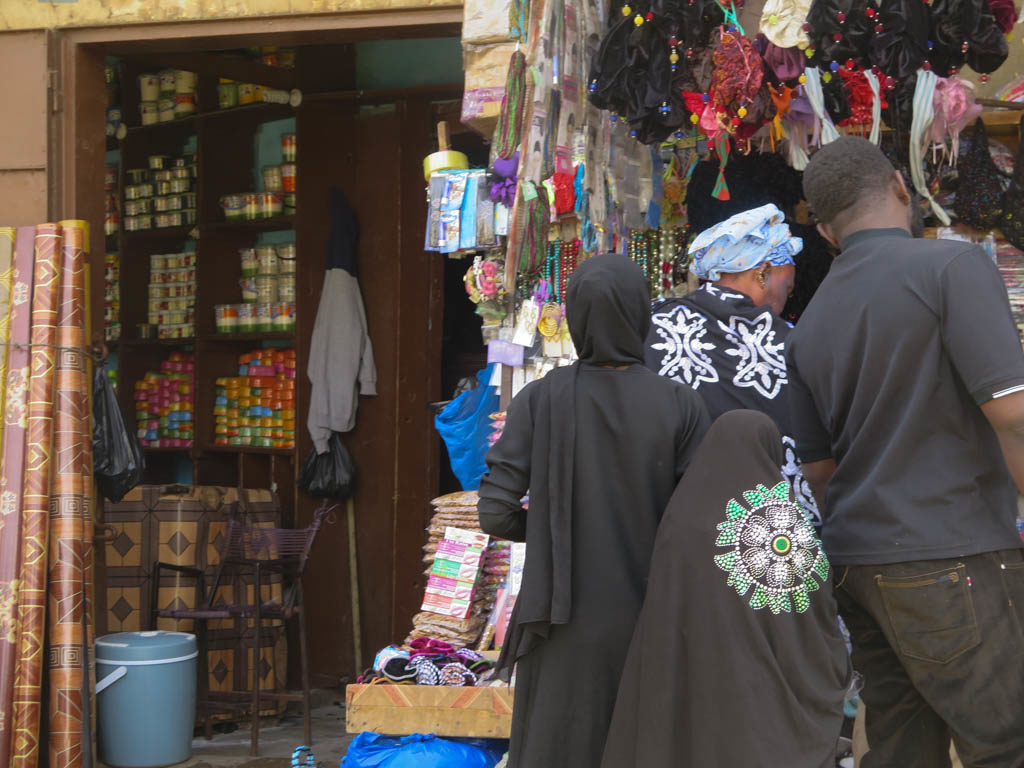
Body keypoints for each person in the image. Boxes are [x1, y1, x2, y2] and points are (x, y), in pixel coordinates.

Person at [787, 135, 1024, 767]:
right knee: (1005, 743)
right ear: (900, 184)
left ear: (829, 234)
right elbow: (1014, 414)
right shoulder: (952, 267)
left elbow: (818, 471)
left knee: (901, 749)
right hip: (952, 551)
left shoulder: (808, 324)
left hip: (858, 564)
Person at [477, 254, 710, 768]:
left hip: (561, 628)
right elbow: (700, 523)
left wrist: (550, 526)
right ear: (640, 315)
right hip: (652, 622)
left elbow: (494, 513)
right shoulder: (680, 404)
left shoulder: (539, 401)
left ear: (577, 318)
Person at [601, 410, 850, 768]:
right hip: (764, 690)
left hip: (691, 670)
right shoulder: (783, 520)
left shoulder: (681, 516)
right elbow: (814, 607)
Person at [644, 204, 822, 523]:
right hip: (775, 538)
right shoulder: (792, 343)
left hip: (680, 525)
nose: (787, 298)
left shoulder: (654, 324)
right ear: (763, 272)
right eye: (788, 287)